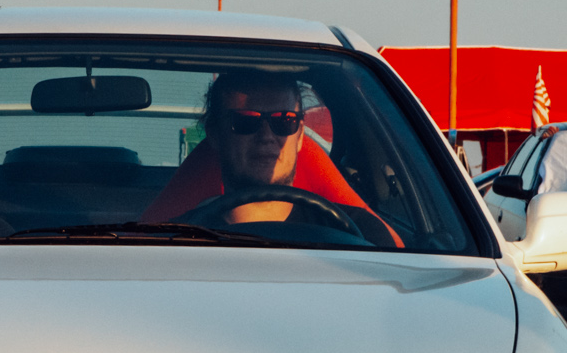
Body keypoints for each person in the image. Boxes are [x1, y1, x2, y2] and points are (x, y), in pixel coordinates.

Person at [140, 70, 398, 242]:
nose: (266, 136)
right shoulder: (174, 241)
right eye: (246, 121)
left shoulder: (361, 233)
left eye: (284, 121)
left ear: (300, 136)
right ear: (215, 135)